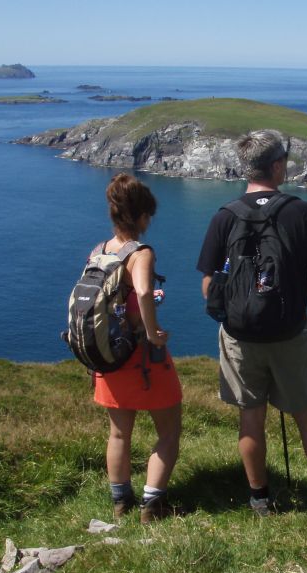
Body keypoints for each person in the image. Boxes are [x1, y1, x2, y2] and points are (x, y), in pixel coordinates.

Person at [197, 130, 307, 516]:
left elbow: (209, 285)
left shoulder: (225, 216)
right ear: (276, 166)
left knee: (251, 416)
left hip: (240, 336)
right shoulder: (301, 212)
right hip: (291, 330)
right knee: (305, 411)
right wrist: (292, 297)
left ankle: (260, 498)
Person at [92, 173, 183, 524]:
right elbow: (143, 292)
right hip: (141, 356)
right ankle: (151, 505)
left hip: (107, 357)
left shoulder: (100, 250)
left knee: (118, 432)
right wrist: (153, 330)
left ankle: (120, 503)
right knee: (169, 430)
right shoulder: (140, 252)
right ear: (141, 216)